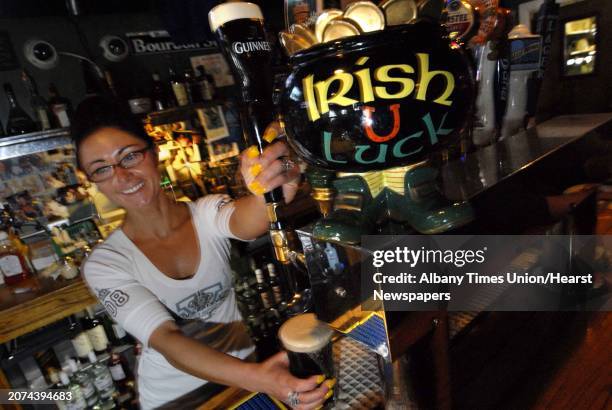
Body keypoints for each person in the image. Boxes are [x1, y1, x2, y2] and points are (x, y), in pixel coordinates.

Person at [73, 97, 331, 410]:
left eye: (129, 157)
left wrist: (275, 178)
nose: (121, 177)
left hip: (243, 375)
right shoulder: (106, 263)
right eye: (101, 169)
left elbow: (250, 220)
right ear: (91, 182)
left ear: (153, 154)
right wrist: (260, 378)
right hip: (177, 398)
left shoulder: (206, 213)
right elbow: (167, 340)